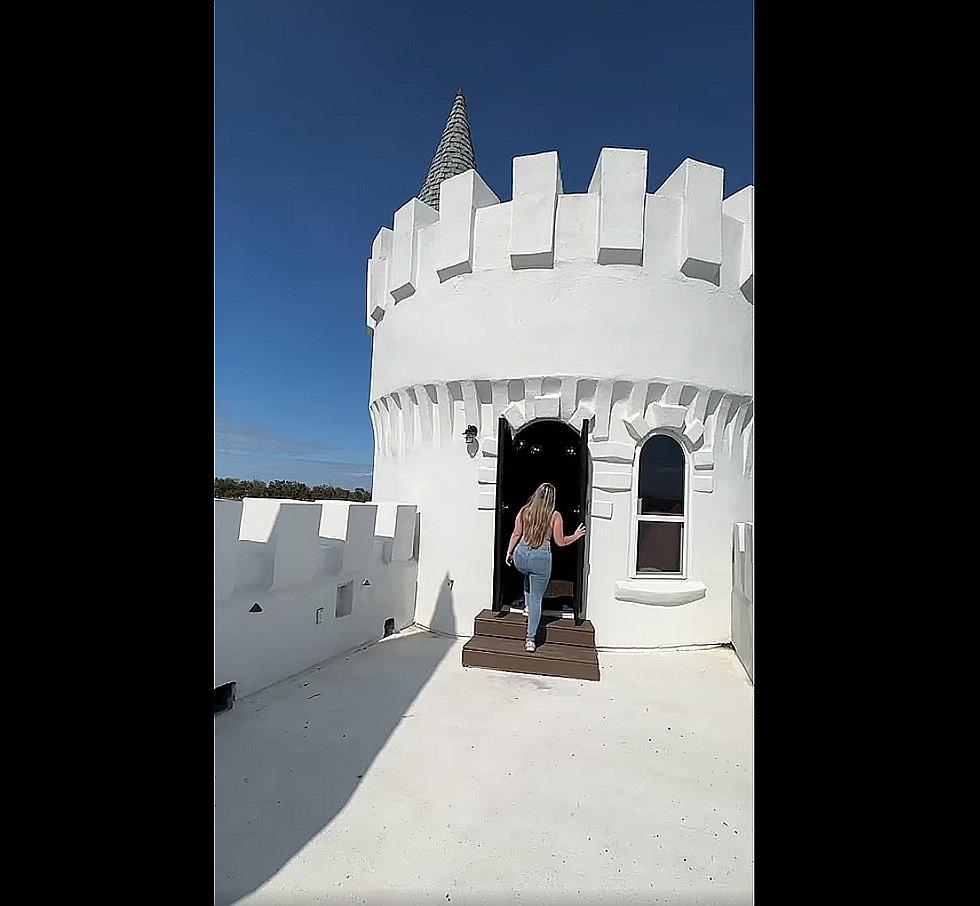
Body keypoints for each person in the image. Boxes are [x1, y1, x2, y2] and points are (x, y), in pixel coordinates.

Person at [505, 482, 586, 652]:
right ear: (552, 499)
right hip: (540, 558)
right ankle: (530, 639)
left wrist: (509, 552)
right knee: (536, 599)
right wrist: (576, 535)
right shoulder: (554, 516)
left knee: (527, 573)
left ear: (536, 495)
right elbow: (561, 542)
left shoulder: (524, 511)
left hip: (521, 555)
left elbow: (516, 534)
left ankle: (526, 607)